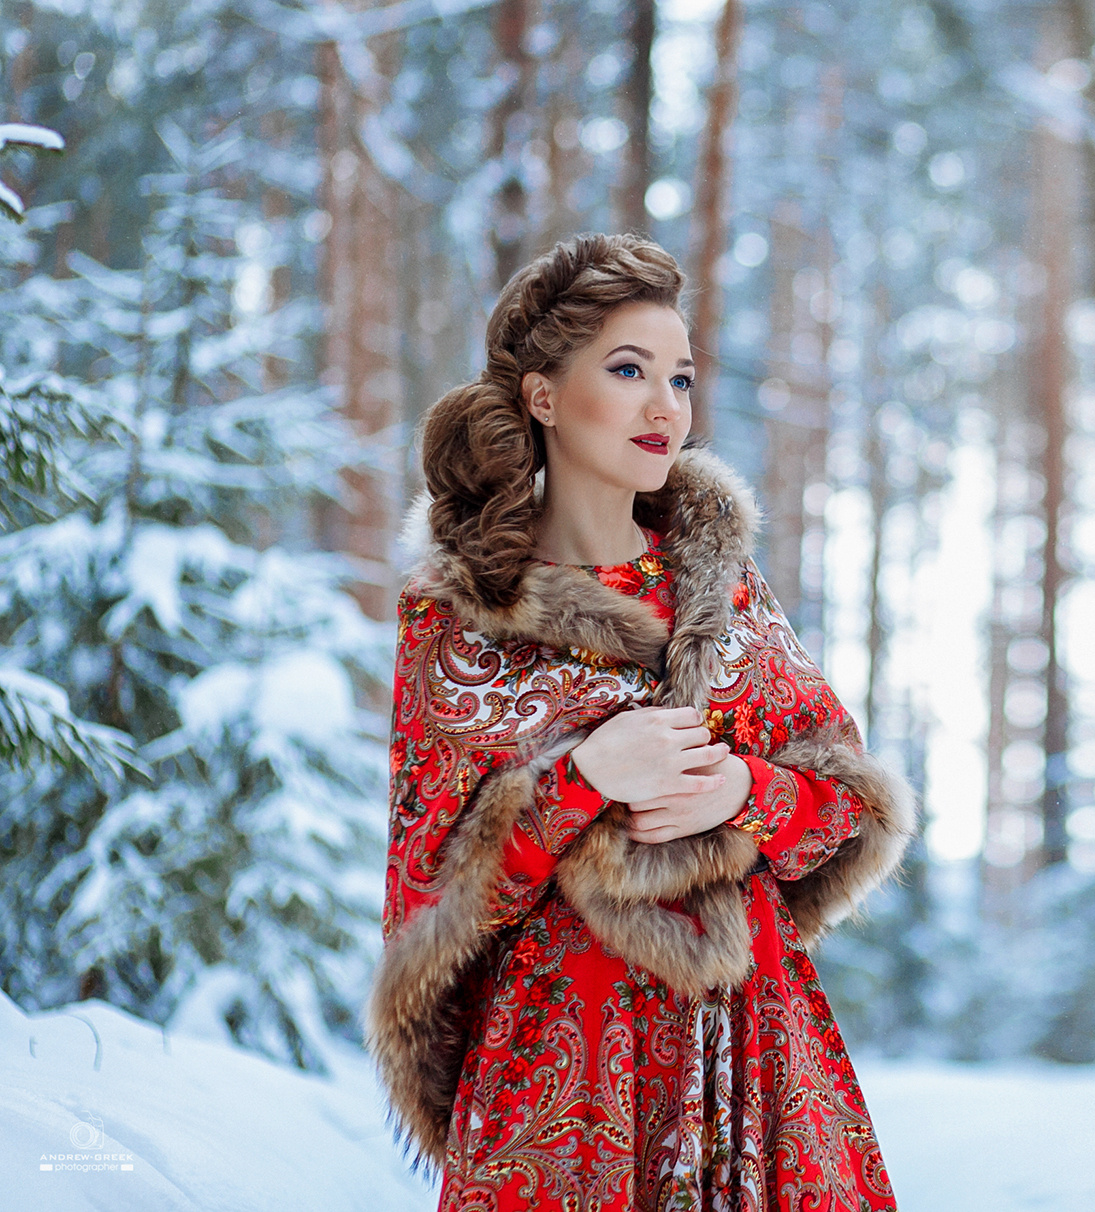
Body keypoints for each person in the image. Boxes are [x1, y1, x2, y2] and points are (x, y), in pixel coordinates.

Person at [366, 232, 911, 1211]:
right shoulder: (456, 616)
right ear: (541, 394)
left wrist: (751, 790)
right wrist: (580, 784)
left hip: (750, 1055)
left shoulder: (725, 593)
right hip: (561, 1081)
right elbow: (430, 900)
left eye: (682, 377)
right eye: (629, 371)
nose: (666, 406)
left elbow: (848, 805)